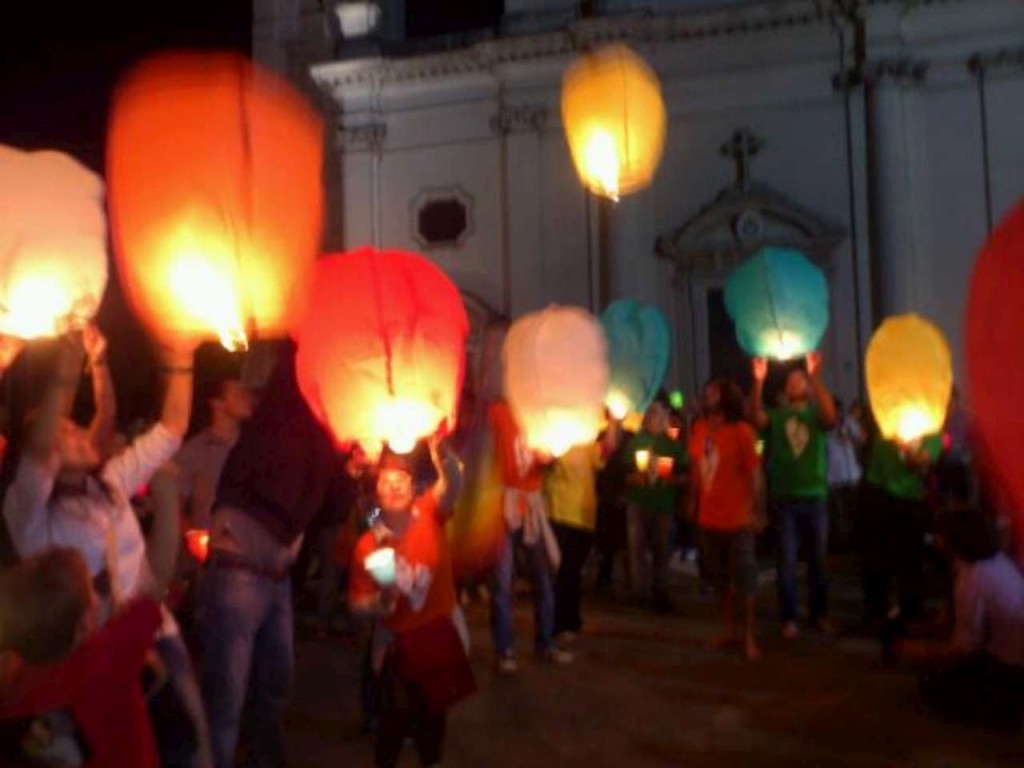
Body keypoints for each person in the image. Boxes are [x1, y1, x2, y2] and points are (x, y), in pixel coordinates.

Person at [1, 326, 211, 768]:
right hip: (90, 660)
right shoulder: (29, 512)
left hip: (153, 636)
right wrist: (66, 363)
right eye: (64, 431)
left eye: (77, 425)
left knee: (190, 741)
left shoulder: (110, 482)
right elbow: (40, 447)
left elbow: (172, 428)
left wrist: (182, 355)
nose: (80, 432)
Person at [198, 339, 343, 768]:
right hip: (238, 571)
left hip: (276, 577)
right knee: (227, 696)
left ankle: (265, 759)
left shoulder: (318, 434)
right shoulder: (282, 417)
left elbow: (331, 501)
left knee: (274, 685)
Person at [349, 436, 471, 768]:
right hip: (397, 643)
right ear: (377, 491)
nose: (393, 486)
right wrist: (378, 602)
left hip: (438, 634)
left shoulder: (431, 512)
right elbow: (356, 602)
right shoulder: (367, 546)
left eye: (400, 480)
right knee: (395, 719)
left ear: (413, 485)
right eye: (386, 481)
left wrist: (443, 457)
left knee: (434, 719)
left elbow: (454, 483)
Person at [0, 547, 164, 768]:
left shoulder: (11, 685)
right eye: (91, 592)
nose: (97, 597)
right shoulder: (102, 660)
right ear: (82, 625)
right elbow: (158, 580)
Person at [891, 507, 1024, 731]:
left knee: (934, 688)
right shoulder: (996, 560)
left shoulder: (973, 578)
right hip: (1011, 653)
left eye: (939, 534)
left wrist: (918, 650)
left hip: (1011, 668)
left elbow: (966, 646)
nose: (935, 539)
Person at [750, 353, 837, 638]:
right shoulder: (777, 416)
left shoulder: (814, 415)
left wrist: (816, 377)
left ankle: (819, 613)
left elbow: (830, 417)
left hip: (815, 495)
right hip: (785, 496)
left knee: (818, 560)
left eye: (800, 379)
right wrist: (758, 382)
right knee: (786, 560)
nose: (794, 382)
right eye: (791, 380)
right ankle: (788, 616)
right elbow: (756, 417)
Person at [487, 398, 569, 674]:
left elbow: (550, 460)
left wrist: (551, 457)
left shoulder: (541, 414)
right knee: (502, 580)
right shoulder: (497, 411)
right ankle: (504, 649)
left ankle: (545, 642)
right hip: (503, 501)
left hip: (532, 504)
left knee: (544, 577)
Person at [688, 379, 765, 660]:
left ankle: (748, 636)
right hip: (708, 519)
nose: (707, 394)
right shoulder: (699, 429)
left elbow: (756, 474)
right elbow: (697, 467)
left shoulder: (742, 431)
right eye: (705, 390)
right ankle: (729, 630)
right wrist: (692, 499)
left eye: (713, 391)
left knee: (744, 580)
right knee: (721, 581)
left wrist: (759, 510)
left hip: (738, 520)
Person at [860, 431, 944, 635]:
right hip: (876, 493)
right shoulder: (886, 420)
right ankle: (876, 615)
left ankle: (911, 617)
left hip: (909, 499)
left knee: (909, 563)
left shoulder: (932, 430)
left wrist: (904, 444)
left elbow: (919, 463)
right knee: (875, 561)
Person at [547, 420, 619, 647]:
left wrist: (614, 422)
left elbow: (605, 453)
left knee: (573, 570)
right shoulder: (549, 433)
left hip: (584, 514)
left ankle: (572, 620)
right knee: (563, 570)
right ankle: (561, 623)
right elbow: (544, 462)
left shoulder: (586, 437)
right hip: (559, 513)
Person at [623, 398, 688, 613]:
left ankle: (661, 592)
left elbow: (687, 472)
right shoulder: (635, 442)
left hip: (663, 504)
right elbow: (622, 472)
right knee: (637, 549)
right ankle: (638, 593)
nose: (654, 418)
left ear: (664, 418)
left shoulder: (671, 444)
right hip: (638, 502)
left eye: (658, 414)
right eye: (650, 414)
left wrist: (674, 480)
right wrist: (633, 477)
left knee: (662, 550)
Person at [826, 400, 865, 554]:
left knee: (853, 511)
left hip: (852, 475)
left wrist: (849, 435)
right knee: (838, 514)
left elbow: (862, 438)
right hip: (832, 477)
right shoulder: (823, 425)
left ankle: (854, 543)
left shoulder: (847, 421)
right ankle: (841, 546)